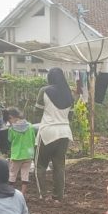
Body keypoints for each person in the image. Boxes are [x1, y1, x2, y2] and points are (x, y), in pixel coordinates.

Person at [35, 68, 73, 200]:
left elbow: (37, 111)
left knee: (40, 165)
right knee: (59, 166)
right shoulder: (69, 94)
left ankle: (43, 195)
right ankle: (58, 196)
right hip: (64, 132)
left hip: (48, 131)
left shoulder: (44, 90)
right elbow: (71, 115)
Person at [3, 107, 36, 196]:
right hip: (28, 155)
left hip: (16, 155)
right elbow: (33, 139)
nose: (9, 122)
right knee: (25, 175)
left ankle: (10, 193)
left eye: (8, 120)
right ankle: (22, 194)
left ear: (11, 117)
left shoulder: (12, 129)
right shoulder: (30, 126)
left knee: (12, 174)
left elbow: (10, 140)